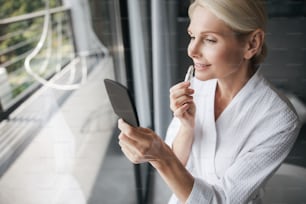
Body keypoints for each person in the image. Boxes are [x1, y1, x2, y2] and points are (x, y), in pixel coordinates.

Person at [117, 0, 301, 203]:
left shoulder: (280, 120)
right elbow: (177, 164)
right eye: (192, 36)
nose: (192, 50)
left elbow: (220, 200)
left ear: (252, 44)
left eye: (210, 40)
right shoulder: (196, 86)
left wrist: (161, 157)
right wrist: (186, 127)